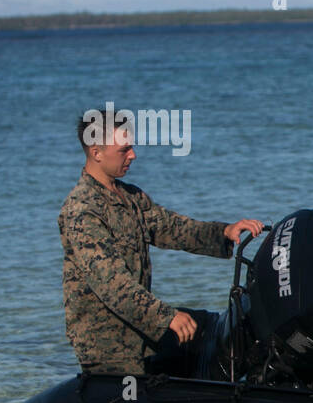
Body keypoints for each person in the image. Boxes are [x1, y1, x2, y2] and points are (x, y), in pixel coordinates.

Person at [59, 108, 264, 374]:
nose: (133, 155)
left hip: (138, 331)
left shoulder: (130, 197)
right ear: (96, 153)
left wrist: (224, 232)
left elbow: (172, 228)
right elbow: (112, 285)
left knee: (213, 331)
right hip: (108, 347)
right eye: (124, 149)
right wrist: (167, 317)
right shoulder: (82, 211)